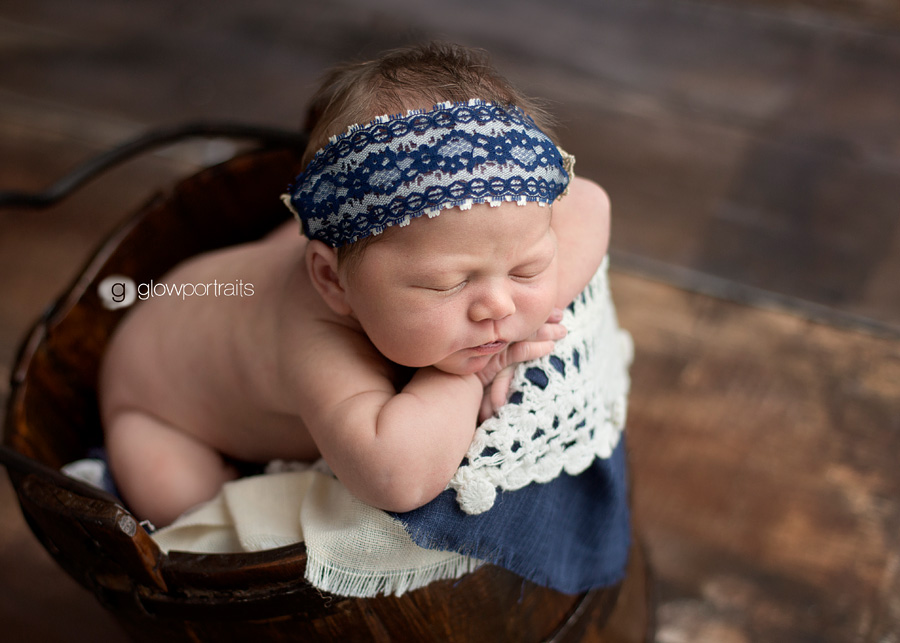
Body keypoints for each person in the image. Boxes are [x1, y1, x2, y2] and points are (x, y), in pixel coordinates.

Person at [100, 42, 611, 529]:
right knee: (183, 502)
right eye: (445, 285)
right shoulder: (314, 335)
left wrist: (530, 312)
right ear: (332, 283)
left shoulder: (459, 241)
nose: (499, 306)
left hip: (237, 278)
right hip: (153, 400)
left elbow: (590, 202)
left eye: (526, 269)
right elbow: (395, 474)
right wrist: (468, 375)